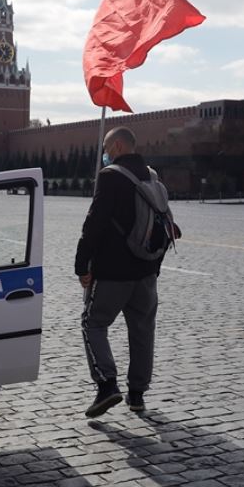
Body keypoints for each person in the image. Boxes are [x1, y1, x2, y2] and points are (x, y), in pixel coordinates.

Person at [75, 126, 175, 418]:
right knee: (142, 331)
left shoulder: (111, 177)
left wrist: (82, 265)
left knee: (93, 324)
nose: (105, 155)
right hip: (146, 272)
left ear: (117, 146)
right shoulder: (151, 176)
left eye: (107, 148)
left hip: (112, 273)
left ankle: (107, 384)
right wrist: (153, 267)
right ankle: (137, 395)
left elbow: (94, 224)